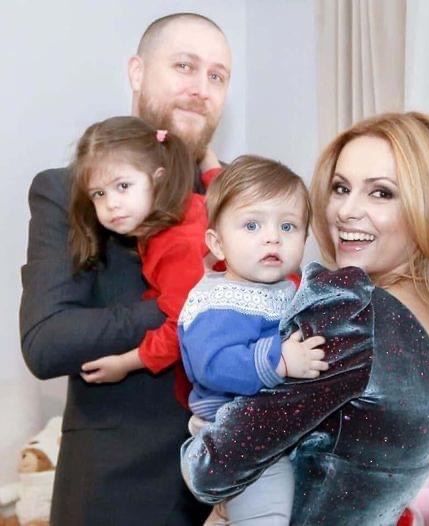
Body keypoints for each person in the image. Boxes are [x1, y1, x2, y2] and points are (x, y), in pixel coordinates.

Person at [181, 112, 429, 525]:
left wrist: (198, 441)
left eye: (382, 193)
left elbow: (211, 469)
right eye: (341, 188)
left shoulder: (353, 315)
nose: (346, 211)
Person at [19, 13, 231, 526]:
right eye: (185, 66)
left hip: (232, 481)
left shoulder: (236, 197)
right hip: (115, 488)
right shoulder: (68, 190)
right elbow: (46, 341)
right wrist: (181, 305)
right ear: (137, 72)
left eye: (217, 76)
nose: (201, 88)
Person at [178, 155, 327, 525]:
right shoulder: (221, 301)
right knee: (270, 511)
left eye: (288, 226)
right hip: (237, 438)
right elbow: (213, 365)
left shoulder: (287, 288)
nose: (272, 236)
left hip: (273, 429)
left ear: (305, 239)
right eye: (252, 225)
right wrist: (280, 360)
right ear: (218, 244)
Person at [67, 116, 210, 410]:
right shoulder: (186, 207)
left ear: (158, 178)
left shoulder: (177, 244)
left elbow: (184, 327)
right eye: (99, 194)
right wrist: (211, 165)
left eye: (123, 186)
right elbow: (220, 189)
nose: (111, 204)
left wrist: (125, 363)